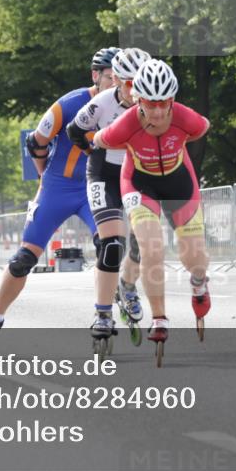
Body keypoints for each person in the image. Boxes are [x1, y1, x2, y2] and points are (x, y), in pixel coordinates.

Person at [0, 48, 119, 357]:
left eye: (121, 79)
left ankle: (103, 313)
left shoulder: (126, 106)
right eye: (111, 77)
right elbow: (35, 141)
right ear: (95, 76)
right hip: (56, 187)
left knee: (109, 246)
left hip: (92, 186)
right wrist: (46, 179)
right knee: (22, 261)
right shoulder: (70, 103)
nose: (116, 85)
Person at [93, 59, 212, 363]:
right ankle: (159, 319)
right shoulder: (125, 125)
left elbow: (202, 128)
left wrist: (177, 144)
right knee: (150, 247)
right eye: (150, 104)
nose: (158, 112)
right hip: (138, 183)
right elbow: (98, 139)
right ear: (138, 99)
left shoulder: (187, 119)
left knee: (194, 258)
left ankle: (199, 283)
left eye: (164, 104)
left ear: (172, 100)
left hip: (179, 183)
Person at [66, 47, 152, 351]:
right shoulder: (101, 103)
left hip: (137, 174)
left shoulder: (153, 102)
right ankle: (102, 314)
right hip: (104, 173)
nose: (135, 90)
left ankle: (127, 288)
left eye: (140, 82)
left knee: (143, 243)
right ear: (115, 80)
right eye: (129, 83)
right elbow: (73, 131)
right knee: (113, 245)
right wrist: (92, 151)